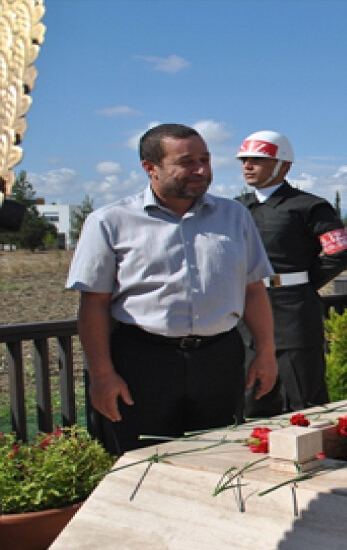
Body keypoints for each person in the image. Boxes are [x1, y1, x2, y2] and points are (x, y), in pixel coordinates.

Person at [66, 123, 278, 455]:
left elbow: (253, 290)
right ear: (150, 167)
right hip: (142, 363)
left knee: (219, 458)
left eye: (205, 160)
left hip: (219, 360)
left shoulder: (234, 216)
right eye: (187, 161)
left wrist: (265, 353)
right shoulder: (110, 221)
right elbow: (94, 304)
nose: (201, 170)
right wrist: (102, 374)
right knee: (141, 463)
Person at [236, 130, 347, 417]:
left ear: (284, 165)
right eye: (244, 161)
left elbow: (341, 254)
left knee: (302, 398)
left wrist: (298, 283)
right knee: (250, 397)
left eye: (258, 160)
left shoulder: (310, 207)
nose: (248, 167)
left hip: (292, 315)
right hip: (246, 313)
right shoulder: (235, 209)